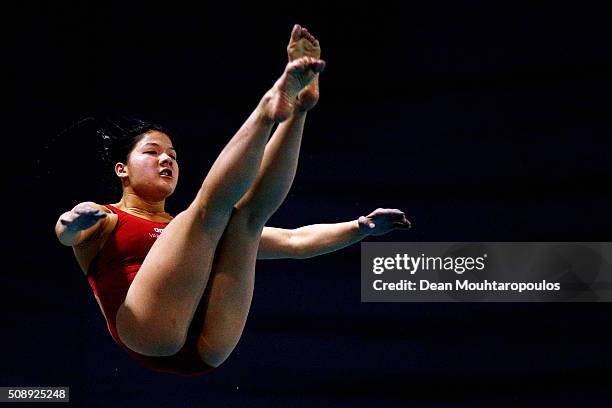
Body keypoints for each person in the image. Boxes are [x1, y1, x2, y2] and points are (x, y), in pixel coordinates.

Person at [54, 24, 411, 376]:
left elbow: (293, 241)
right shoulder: (108, 218)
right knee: (208, 212)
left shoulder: (197, 230)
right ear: (122, 170)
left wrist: (360, 227)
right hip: (149, 333)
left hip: (209, 350)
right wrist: (72, 222)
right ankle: (268, 109)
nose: (167, 160)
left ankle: (299, 109)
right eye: (153, 152)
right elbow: (66, 233)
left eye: (174, 156)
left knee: (245, 222)